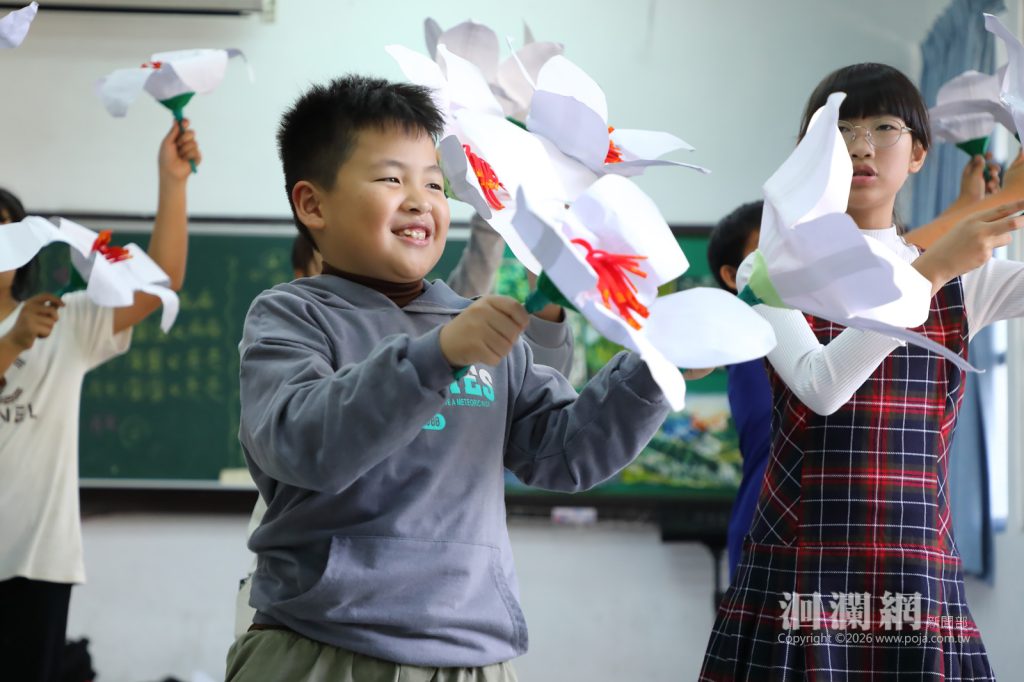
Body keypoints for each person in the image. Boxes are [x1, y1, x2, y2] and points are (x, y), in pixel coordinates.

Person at [223, 75, 665, 681]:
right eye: (391, 179)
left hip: (472, 653)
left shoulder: (473, 325)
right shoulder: (291, 315)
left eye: (434, 182)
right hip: (321, 646)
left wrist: (655, 369)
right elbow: (304, 445)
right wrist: (438, 357)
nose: (419, 199)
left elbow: (564, 455)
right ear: (313, 204)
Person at [700, 63, 1024, 681]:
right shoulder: (769, 272)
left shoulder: (968, 278)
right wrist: (930, 272)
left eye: (884, 127)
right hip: (801, 566)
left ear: (919, 154)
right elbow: (821, 386)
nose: (861, 146)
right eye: (840, 131)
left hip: (915, 567)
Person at [230, 215, 573, 638]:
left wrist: (498, 215)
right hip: (320, 612)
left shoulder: (441, 322)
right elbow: (309, 440)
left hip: (457, 622)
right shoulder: (293, 327)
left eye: (432, 185)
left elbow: (533, 387)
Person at [0, 120, 201, 682]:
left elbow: (162, 280)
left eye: (5, 234)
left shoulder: (63, 320)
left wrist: (172, 181)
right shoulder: (29, 329)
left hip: (38, 557)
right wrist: (13, 343)